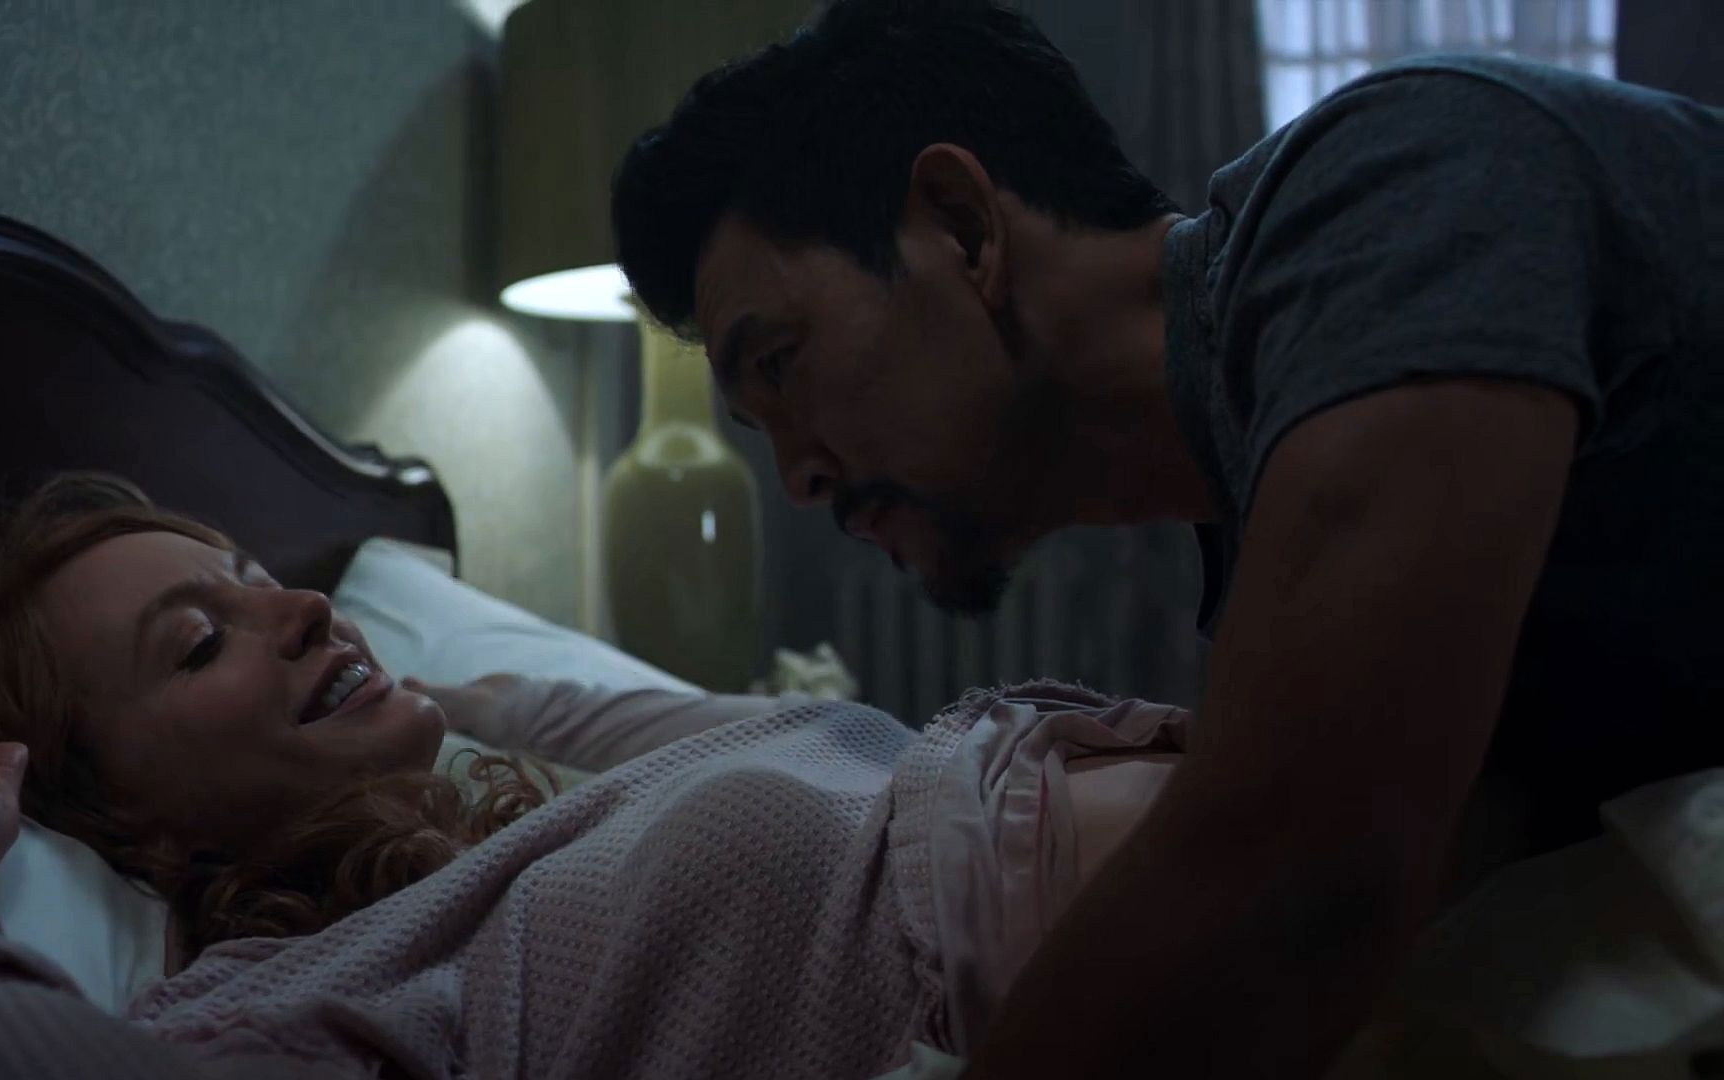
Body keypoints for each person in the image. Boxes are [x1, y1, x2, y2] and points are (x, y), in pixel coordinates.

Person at [608, 0, 1723, 1075]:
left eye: (781, 363)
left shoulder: (1397, 183)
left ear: (961, 226)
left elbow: (1297, 879)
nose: (798, 478)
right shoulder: (1254, 530)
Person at [0, 473, 1187, 1079]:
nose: (303, 607)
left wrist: (427, 690)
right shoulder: (292, 999)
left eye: (260, 575)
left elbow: (738, 721)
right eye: (199, 640)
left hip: (1214, 833)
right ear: (123, 815)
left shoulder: (508, 843)